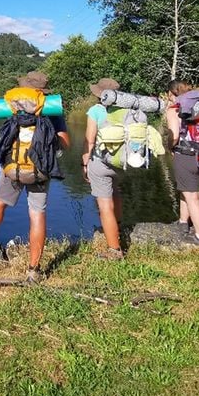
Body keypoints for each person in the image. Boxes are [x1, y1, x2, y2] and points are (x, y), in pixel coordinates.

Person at [0, 70, 70, 282]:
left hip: (12, 167)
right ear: (43, 90)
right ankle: (34, 270)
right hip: (41, 170)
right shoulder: (51, 108)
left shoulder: (13, 104)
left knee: (0, 202)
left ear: (24, 87)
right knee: (37, 215)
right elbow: (65, 143)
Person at [81, 77, 125, 260]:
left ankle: (114, 250)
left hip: (101, 162)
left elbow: (89, 140)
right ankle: (118, 227)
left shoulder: (95, 110)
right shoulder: (125, 109)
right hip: (121, 162)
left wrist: (85, 163)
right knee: (116, 192)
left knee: (104, 204)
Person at [164, 79, 199, 245]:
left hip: (186, 155)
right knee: (187, 189)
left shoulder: (175, 109)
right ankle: (183, 222)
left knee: (192, 196)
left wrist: (170, 148)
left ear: (172, 93)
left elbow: (174, 135)